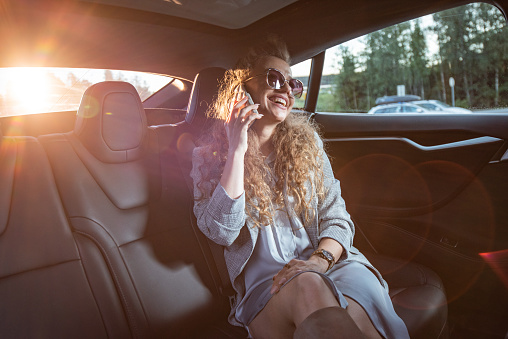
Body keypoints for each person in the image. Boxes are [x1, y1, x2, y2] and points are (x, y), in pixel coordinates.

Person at [191, 37, 410, 339]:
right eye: (273, 78)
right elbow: (221, 232)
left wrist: (319, 261)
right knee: (307, 285)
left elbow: (338, 219)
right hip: (269, 287)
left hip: (328, 264)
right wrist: (237, 150)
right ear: (244, 85)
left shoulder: (308, 146)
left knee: (355, 314)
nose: (284, 89)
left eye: (292, 84)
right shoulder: (209, 157)